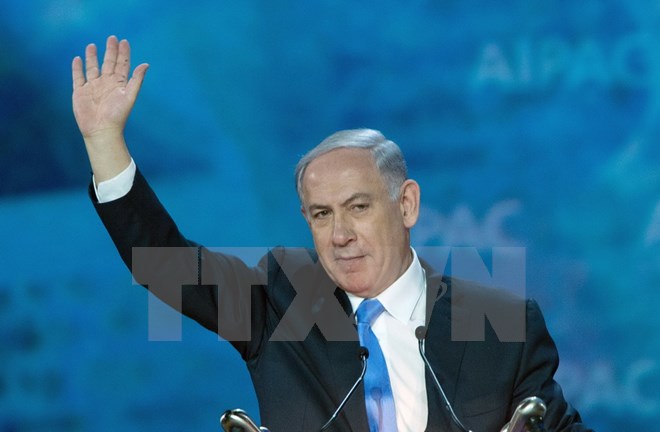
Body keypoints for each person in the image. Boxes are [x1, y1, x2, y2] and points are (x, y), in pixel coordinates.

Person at [72, 35, 592, 431]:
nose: (340, 234)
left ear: (406, 204)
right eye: (321, 215)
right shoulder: (277, 302)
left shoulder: (503, 326)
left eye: (358, 207)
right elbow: (164, 262)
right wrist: (103, 142)